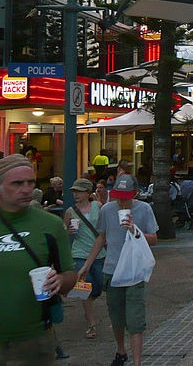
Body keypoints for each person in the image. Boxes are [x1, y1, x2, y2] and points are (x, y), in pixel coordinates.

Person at [0, 154, 76, 365]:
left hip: (33, 341)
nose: (26, 189)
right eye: (17, 183)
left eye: (30, 182)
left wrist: (60, 281)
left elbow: (70, 275)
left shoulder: (50, 225)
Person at [79, 166, 158, 366]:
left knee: (135, 319)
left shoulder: (144, 209)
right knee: (116, 316)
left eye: (125, 197)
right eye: (118, 197)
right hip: (112, 270)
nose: (121, 202)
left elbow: (154, 239)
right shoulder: (107, 210)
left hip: (134, 271)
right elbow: (102, 237)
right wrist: (87, 264)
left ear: (135, 194)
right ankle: (121, 351)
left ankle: (137, 361)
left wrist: (134, 229)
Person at [63, 178, 105, 340]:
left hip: (100, 254)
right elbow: (63, 230)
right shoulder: (70, 211)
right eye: (74, 191)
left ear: (88, 193)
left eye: (79, 191)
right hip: (79, 253)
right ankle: (91, 324)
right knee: (83, 290)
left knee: (99, 285)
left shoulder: (98, 207)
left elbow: (105, 228)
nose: (75, 194)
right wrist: (69, 230)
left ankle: (89, 301)